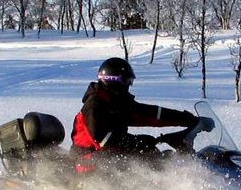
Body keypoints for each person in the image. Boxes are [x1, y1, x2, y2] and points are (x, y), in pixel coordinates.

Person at [71, 57, 209, 161]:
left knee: (159, 159)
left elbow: (151, 114)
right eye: (127, 81)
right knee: (147, 162)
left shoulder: (117, 103)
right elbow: (103, 139)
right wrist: (138, 142)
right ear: (114, 81)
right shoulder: (95, 104)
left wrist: (187, 120)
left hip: (108, 157)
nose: (129, 86)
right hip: (87, 160)